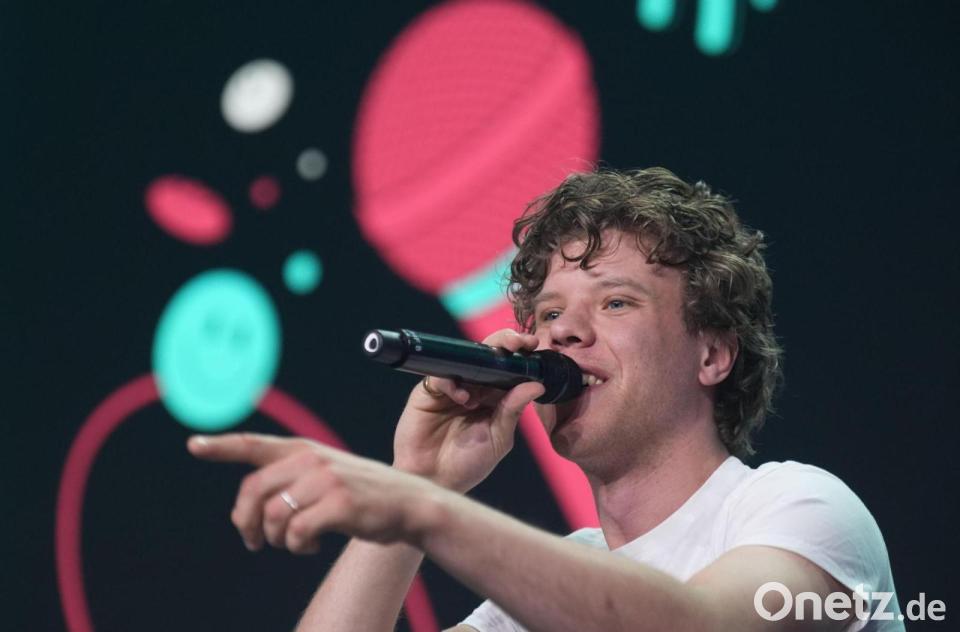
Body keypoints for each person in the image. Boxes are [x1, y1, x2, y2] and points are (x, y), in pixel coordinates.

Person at [189, 167, 901, 631]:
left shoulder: (798, 509)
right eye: (550, 313)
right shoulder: (536, 599)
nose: (561, 332)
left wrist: (420, 510)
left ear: (711, 354)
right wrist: (419, 482)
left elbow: (697, 625)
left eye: (615, 302)